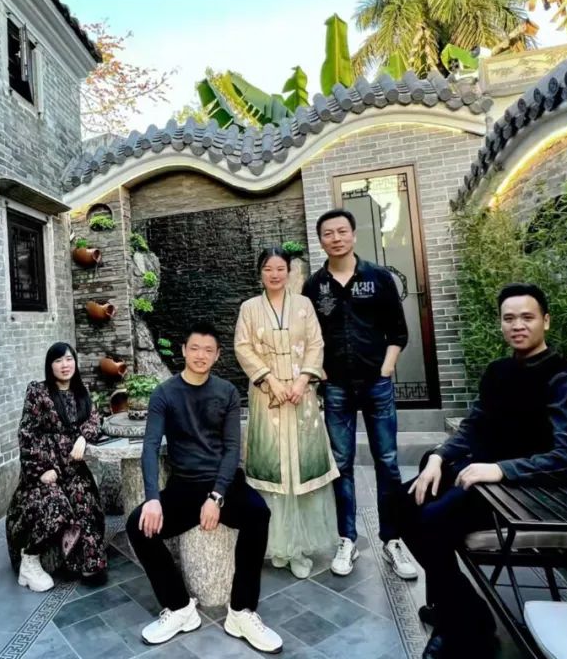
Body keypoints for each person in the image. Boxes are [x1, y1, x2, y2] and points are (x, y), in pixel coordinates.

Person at [400, 283, 567, 659]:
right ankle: (466, 612)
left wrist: (502, 469)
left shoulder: (563, 379)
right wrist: (438, 455)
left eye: (527, 317)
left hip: (532, 491)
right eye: (509, 318)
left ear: (546, 321)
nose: (517, 325)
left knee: (431, 522)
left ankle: (461, 627)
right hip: (486, 481)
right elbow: (475, 424)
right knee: (400, 503)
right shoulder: (499, 371)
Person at [125, 322, 283, 654]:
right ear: (183, 350)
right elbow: (150, 447)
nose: (201, 355)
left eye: (208, 350)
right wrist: (152, 499)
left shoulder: (226, 392)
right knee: (138, 526)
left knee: (258, 514)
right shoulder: (165, 393)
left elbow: (232, 449)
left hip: (223, 484)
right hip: (185, 485)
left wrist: (217, 496)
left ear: (217, 355)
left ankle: (241, 612)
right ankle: (180, 608)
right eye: (195, 348)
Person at [302, 208, 418, 580]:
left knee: (388, 462)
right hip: (336, 387)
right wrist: (320, 371)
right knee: (342, 464)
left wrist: (385, 369)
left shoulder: (378, 278)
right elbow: (306, 337)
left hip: (376, 385)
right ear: (321, 240)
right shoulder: (314, 286)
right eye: (328, 233)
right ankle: (347, 539)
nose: (335, 238)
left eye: (342, 231)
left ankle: (393, 540)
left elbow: (398, 332)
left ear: (353, 235)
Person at [234, 247, 338, 580]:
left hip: (301, 396)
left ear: (289, 272)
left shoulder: (304, 305)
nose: (275, 274)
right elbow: (242, 347)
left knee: (301, 467)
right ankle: (278, 544)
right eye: (268, 269)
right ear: (260, 273)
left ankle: (300, 548)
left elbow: (316, 344)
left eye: (281, 268)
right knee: (273, 468)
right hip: (268, 397)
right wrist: (271, 381)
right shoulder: (249, 308)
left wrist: (303, 379)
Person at [6, 342, 107, 592]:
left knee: (86, 506)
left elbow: (96, 420)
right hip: (44, 473)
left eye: (69, 359)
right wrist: (41, 469)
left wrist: (83, 437)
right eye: (58, 360)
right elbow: (27, 434)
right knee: (55, 506)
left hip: (73, 471)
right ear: (50, 365)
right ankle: (29, 561)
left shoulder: (82, 393)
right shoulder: (38, 392)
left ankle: (86, 561)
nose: (65, 365)